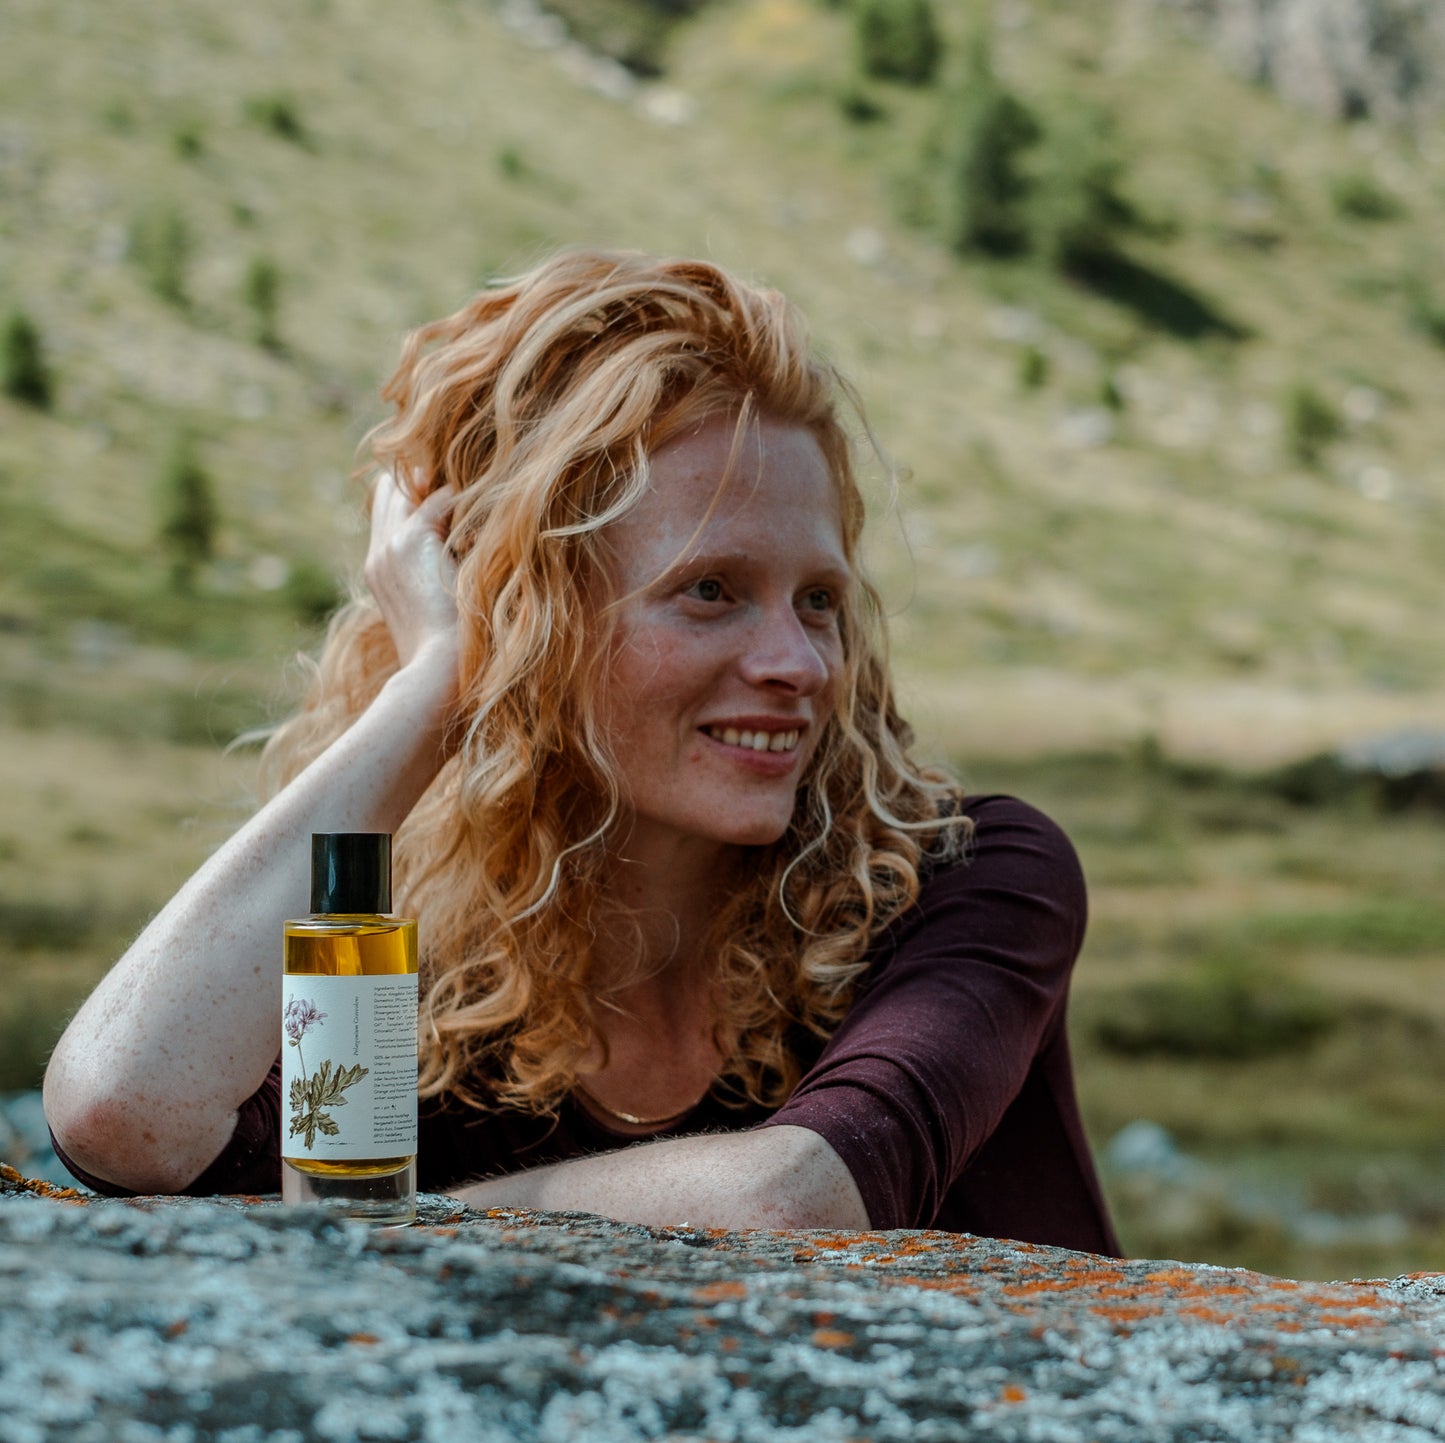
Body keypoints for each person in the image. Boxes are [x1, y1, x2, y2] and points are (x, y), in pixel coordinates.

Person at [43, 249, 1119, 1253]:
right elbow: (121, 1109)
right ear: (531, 621)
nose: (798, 661)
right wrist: (437, 687)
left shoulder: (974, 876)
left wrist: (368, 1222)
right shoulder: (405, 970)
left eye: (820, 598)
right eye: (710, 590)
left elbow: (790, 1199)